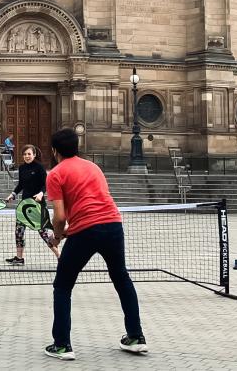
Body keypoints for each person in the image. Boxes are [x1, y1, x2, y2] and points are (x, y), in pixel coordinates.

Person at [44, 128, 146, 361]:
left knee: (62, 286)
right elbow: (93, 204)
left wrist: (58, 236)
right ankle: (136, 336)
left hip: (86, 231)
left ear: (54, 150)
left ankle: (61, 344)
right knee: (121, 277)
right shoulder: (93, 167)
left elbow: (59, 217)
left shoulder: (56, 174)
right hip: (112, 224)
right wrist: (72, 229)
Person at [5, 144, 56, 265]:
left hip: (37, 206)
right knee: (19, 231)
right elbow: (21, 185)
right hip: (24, 206)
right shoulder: (22, 168)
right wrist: (12, 194)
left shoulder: (39, 168)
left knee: (43, 233)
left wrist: (41, 193)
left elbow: (46, 184)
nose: (27, 156)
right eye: (25, 154)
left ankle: (60, 256)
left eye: (29, 154)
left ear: (34, 155)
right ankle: (19, 258)